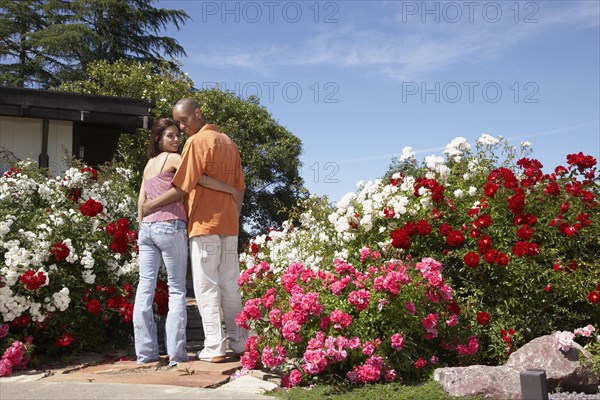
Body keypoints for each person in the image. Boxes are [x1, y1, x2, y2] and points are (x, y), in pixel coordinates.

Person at [143, 98, 247, 363]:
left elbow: (182, 186)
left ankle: (214, 346)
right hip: (228, 222)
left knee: (206, 285)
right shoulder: (229, 143)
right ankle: (240, 342)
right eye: (178, 122)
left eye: (184, 120)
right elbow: (240, 187)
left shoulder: (196, 143)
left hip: (204, 222)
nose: (181, 126)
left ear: (198, 114)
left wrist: (150, 204)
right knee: (230, 284)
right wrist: (234, 213)